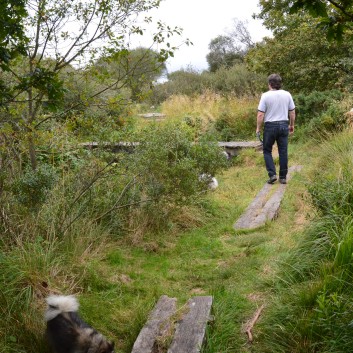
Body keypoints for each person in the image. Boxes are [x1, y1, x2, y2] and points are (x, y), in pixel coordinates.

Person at [256, 74, 296, 184]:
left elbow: (260, 114)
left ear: (269, 84)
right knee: (283, 151)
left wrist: (258, 128)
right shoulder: (287, 94)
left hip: (270, 126)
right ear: (280, 84)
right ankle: (283, 177)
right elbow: (292, 112)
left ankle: (272, 174)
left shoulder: (265, 96)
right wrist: (291, 125)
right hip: (284, 125)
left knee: (267, 150)